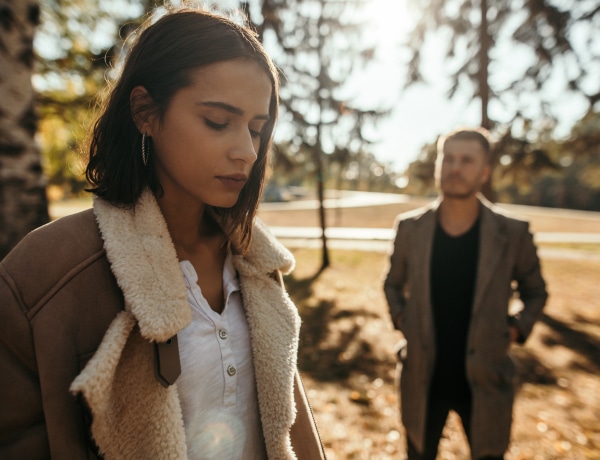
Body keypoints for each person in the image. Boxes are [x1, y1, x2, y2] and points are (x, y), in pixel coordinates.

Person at [0, 7, 325, 460]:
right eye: (217, 121)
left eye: (257, 128)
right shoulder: (46, 274)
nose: (246, 151)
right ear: (145, 112)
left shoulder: (257, 260)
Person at [383, 127, 548, 460]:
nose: (455, 168)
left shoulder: (512, 232)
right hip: (422, 376)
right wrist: (402, 318)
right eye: (449, 158)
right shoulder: (410, 228)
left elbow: (535, 292)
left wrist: (516, 328)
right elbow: (392, 284)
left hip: (486, 379)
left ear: (484, 172)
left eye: (467, 160)